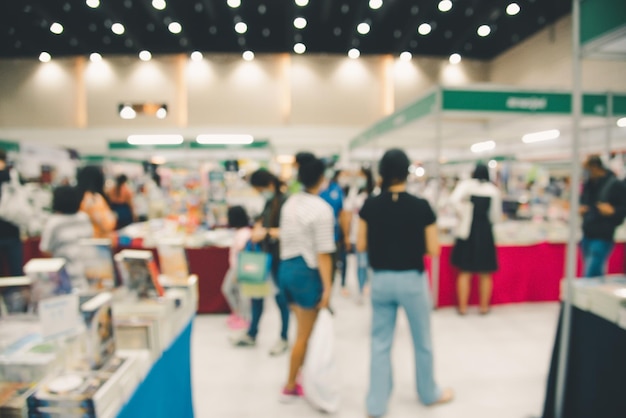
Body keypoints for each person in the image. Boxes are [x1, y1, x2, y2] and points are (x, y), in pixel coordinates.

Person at [357, 148, 453, 418]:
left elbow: (361, 243)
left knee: (380, 343)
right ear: (407, 172)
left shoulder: (370, 205)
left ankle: (376, 405)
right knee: (422, 340)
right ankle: (428, 392)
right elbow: (433, 249)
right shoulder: (421, 207)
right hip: (412, 279)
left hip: (381, 281)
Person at [278, 153, 335, 401]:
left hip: (286, 270)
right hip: (306, 272)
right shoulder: (322, 209)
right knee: (304, 334)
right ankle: (291, 384)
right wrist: (328, 288)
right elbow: (323, 253)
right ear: (321, 179)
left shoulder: (290, 202)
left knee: (299, 328)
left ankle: (298, 375)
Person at [230, 169, 290, 356]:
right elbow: (263, 222)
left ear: (269, 185)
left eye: (260, 189)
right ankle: (252, 333)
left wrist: (266, 232)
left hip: (279, 258)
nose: (259, 193)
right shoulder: (269, 203)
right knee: (256, 296)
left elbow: (288, 231)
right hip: (263, 256)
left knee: (281, 299)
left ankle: (283, 337)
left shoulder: (286, 203)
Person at [449, 163, 501, 315]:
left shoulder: (466, 186)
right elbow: (495, 215)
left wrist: (463, 212)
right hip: (485, 232)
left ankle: (463, 307)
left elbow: (453, 201)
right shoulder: (493, 190)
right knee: (486, 272)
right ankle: (484, 307)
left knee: (465, 271)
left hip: (468, 230)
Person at [39, 186, 95, 291]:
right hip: (87, 272)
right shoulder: (84, 217)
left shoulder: (54, 223)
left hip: (65, 275)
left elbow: (45, 249)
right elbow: (90, 239)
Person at [579, 155, 626, 277]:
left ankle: (589, 294)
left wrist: (613, 211)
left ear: (595, 167)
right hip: (587, 233)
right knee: (593, 273)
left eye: (587, 168)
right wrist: (582, 209)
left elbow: (622, 208)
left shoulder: (615, 184)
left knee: (591, 273)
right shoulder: (588, 184)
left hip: (603, 235)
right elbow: (583, 201)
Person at [344, 167, 374, 303]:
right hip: (357, 235)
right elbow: (348, 215)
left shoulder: (375, 194)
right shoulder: (354, 193)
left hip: (372, 236)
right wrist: (347, 235)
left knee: (370, 265)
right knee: (361, 264)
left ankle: (370, 287)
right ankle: (361, 290)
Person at [221, 205, 251, 330]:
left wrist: (238, 272)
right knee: (233, 291)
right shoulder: (241, 232)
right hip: (236, 267)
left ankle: (243, 318)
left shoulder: (244, 234)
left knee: (239, 293)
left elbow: (244, 255)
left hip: (240, 269)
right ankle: (239, 314)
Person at [0, 149, 23, 277]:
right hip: (12, 227)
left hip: (10, 229)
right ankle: (17, 294)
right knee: (15, 270)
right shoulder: (11, 176)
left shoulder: (9, 176)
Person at [77, 165, 116, 239]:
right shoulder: (94, 199)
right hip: (97, 241)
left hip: (81, 241)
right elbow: (107, 224)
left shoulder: (78, 197)